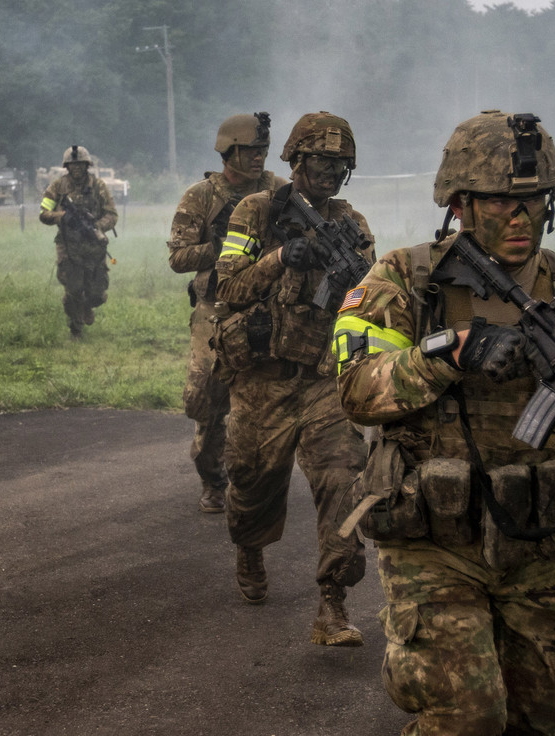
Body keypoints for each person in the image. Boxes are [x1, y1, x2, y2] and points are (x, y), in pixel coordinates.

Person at [333, 110, 555, 735]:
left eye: (534, 199)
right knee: (467, 717)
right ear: (461, 204)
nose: (520, 217)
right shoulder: (405, 279)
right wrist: (448, 354)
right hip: (432, 543)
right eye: (500, 201)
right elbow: (356, 391)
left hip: (538, 542)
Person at [212, 111, 373, 647]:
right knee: (253, 482)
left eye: (340, 164)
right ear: (297, 160)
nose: (331, 172)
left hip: (325, 380)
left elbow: (370, 300)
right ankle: (250, 548)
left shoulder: (352, 224)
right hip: (263, 379)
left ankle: (333, 603)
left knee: (343, 481)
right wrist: (282, 257)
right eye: (321, 161)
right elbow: (227, 287)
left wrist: (355, 289)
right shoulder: (256, 212)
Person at [167, 112, 288, 514]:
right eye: (250, 150)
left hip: (265, 309)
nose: (259, 157)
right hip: (215, 312)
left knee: (262, 403)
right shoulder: (201, 196)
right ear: (228, 151)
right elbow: (178, 258)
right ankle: (212, 479)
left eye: (263, 150)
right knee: (206, 400)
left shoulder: (279, 190)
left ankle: (252, 483)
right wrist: (218, 247)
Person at [38, 145, 118, 339]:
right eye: (72, 165)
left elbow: (112, 215)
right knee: (73, 288)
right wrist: (61, 216)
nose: (76, 168)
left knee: (97, 294)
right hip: (68, 245)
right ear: (67, 166)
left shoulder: (99, 186)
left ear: (87, 165)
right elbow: (44, 213)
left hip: (93, 245)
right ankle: (76, 329)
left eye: (80, 164)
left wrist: (97, 227)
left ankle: (87, 306)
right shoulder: (57, 187)